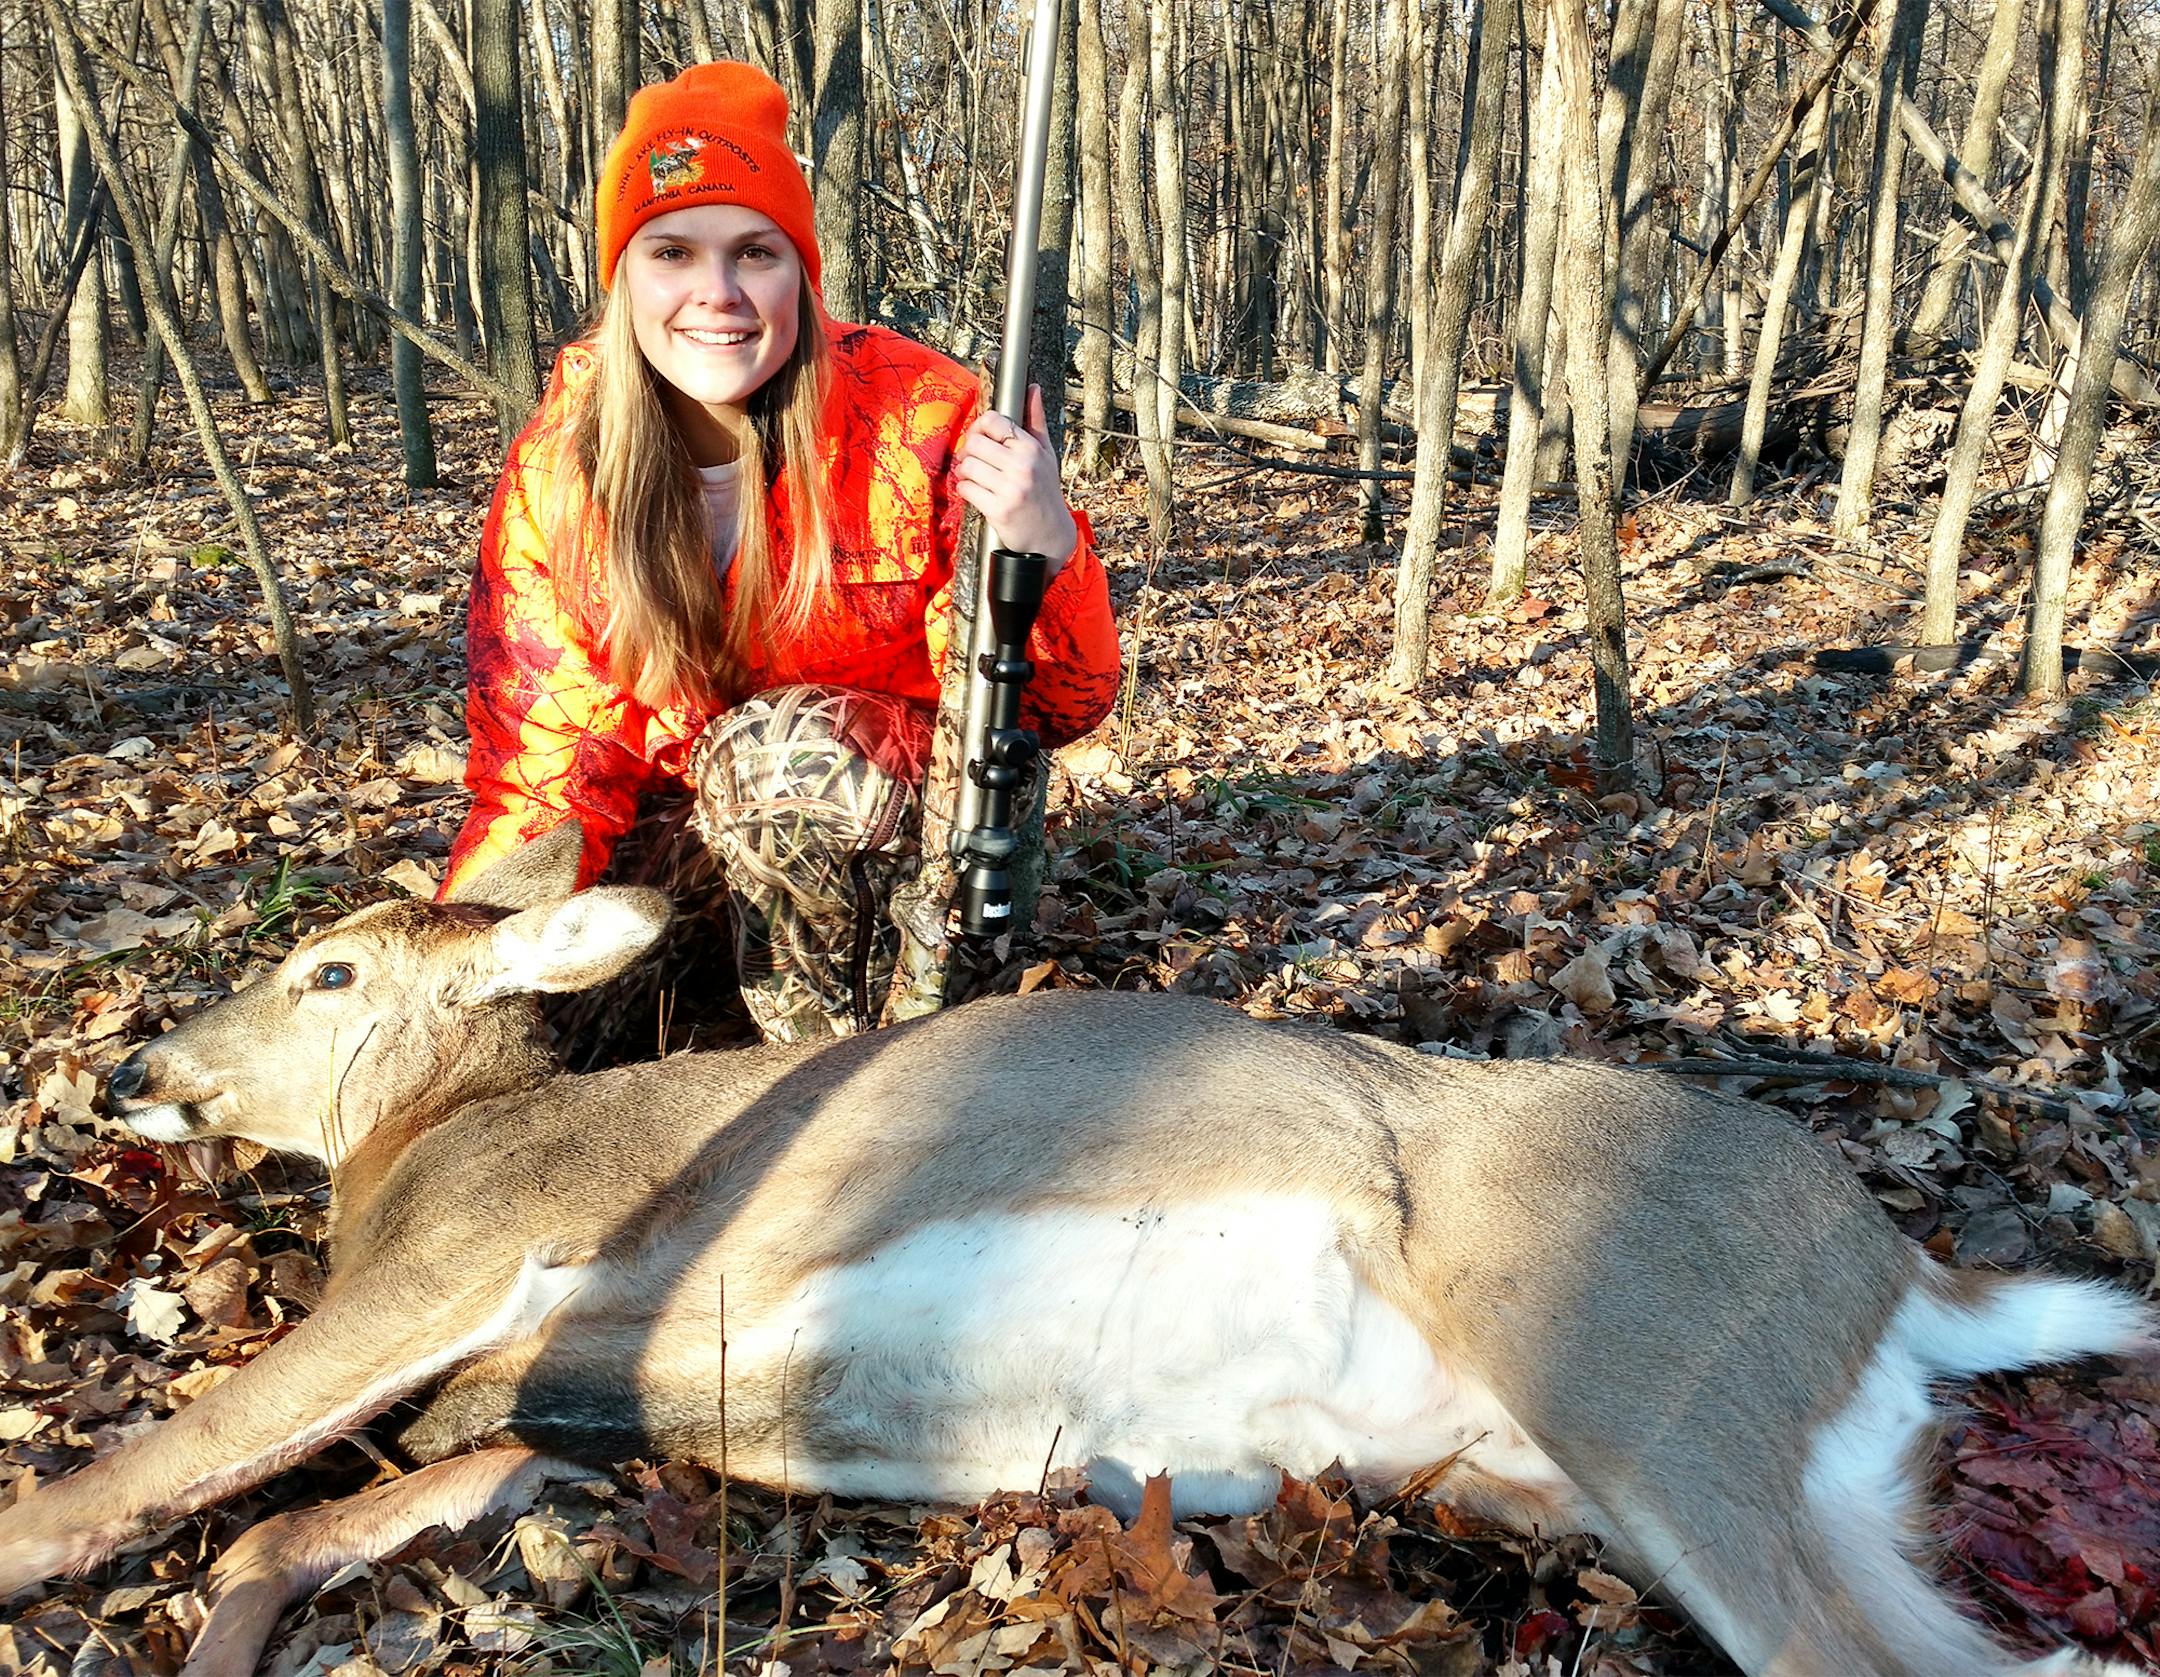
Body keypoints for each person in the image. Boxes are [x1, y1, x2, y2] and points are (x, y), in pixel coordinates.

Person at [441, 62, 1120, 1043]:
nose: (716, 295)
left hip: (905, 863)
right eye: (672, 251)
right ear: (624, 275)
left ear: (799, 271)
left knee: (781, 761)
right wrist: (470, 958)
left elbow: (1057, 708)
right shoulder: (562, 467)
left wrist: (1045, 545)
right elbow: (545, 764)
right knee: (522, 1033)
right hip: (696, 847)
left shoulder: (924, 419)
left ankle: (827, 1089)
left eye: (755, 253)